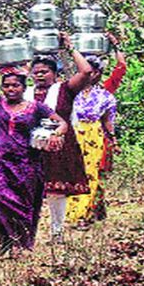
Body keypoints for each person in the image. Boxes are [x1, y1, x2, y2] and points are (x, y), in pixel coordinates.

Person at [0, 49, 69, 258]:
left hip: (27, 165)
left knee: (22, 206)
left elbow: (62, 123)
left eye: (15, 85)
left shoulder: (36, 108)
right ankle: (1, 237)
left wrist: (55, 135)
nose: (11, 89)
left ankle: (17, 244)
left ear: (24, 87)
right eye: (6, 85)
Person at [23, 34, 93, 243]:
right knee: (28, 189)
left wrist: (70, 48)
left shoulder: (64, 90)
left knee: (57, 191)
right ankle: (26, 232)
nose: (40, 76)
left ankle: (57, 232)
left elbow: (86, 71)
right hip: (31, 146)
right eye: (36, 73)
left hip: (59, 144)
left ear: (55, 73)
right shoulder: (24, 93)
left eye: (44, 72)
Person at [65, 55, 119, 225]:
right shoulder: (70, 91)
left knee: (90, 173)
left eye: (96, 71)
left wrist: (113, 139)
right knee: (74, 172)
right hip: (73, 132)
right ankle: (81, 211)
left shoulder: (105, 97)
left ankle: (82, 215)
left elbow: (107, 121)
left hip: (93, 134)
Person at [99, 31, 126, 172]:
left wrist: (116, 45)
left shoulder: (104, 91)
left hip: (101, 139)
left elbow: (121, 67)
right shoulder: (70, 88)